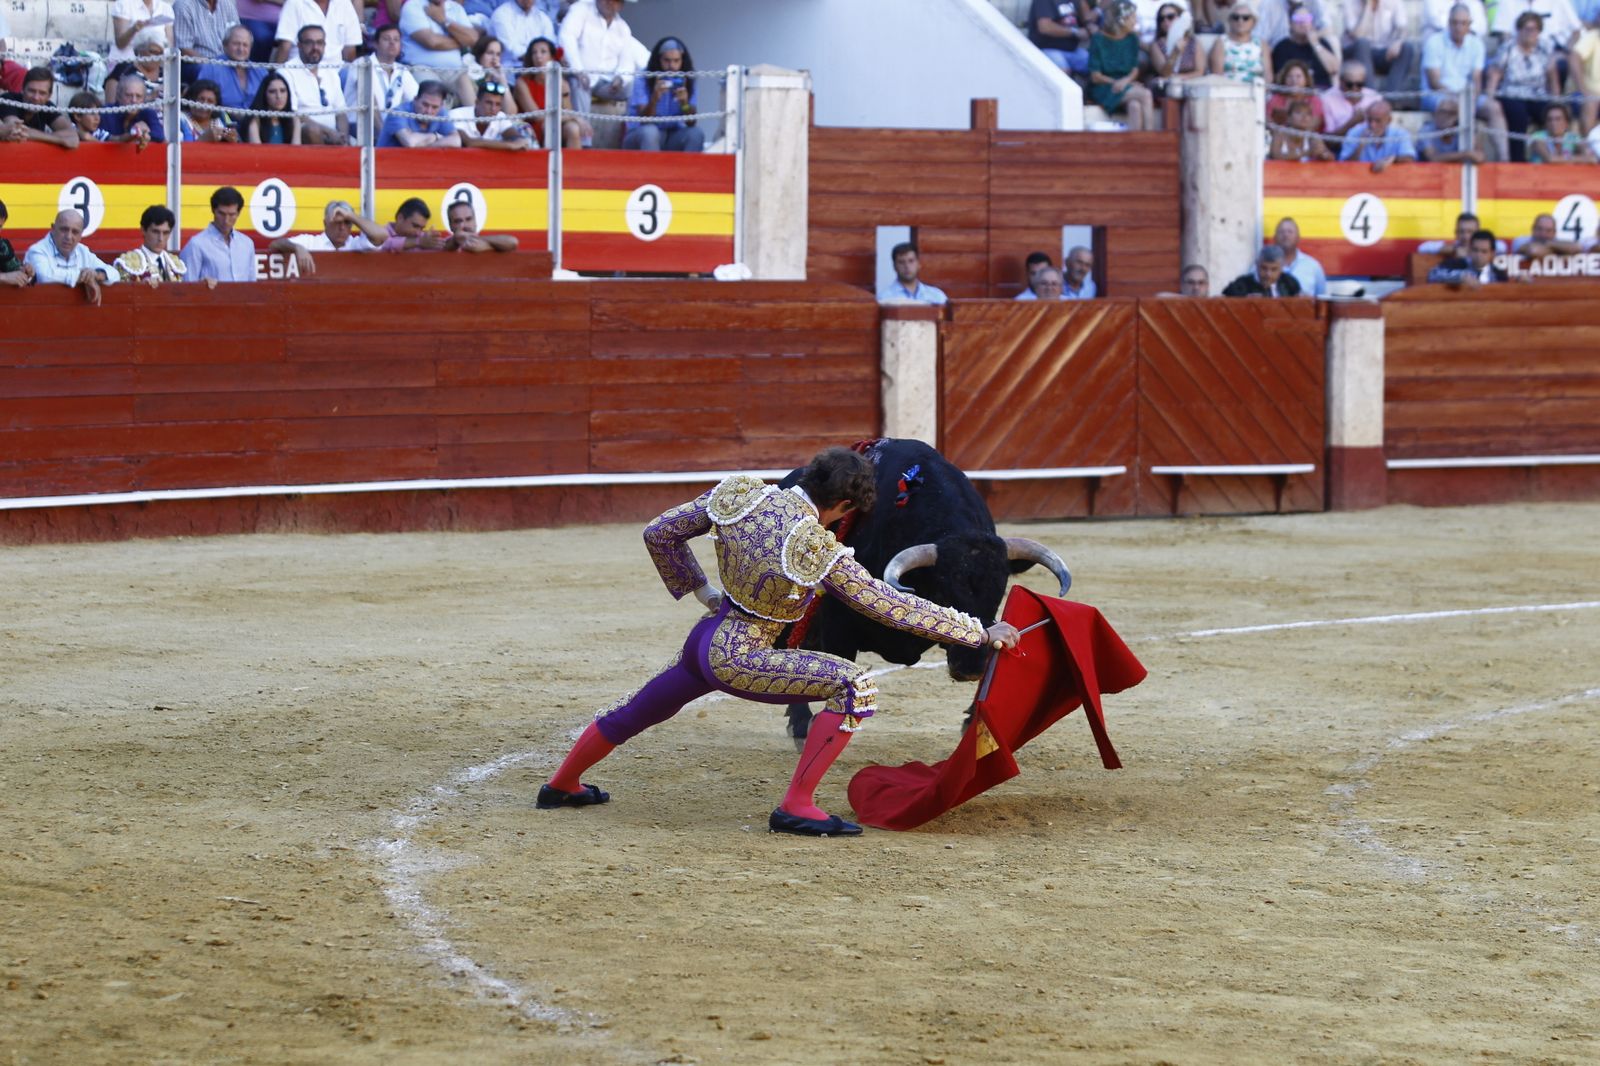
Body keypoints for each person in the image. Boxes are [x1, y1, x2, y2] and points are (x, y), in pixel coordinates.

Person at [535, 449, 1022, 837]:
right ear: (844, 506)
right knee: (855, 687)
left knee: (636, 709)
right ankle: (797, 805)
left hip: (706, 639)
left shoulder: (741, 494)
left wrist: (701, 590)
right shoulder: (814, 546)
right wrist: (978, 631)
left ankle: (562, 784)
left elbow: (659, 533)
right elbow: (886, 604)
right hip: (744, 656)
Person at [560, 0, 645, 150]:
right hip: (581, 76)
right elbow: (567, 37)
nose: (609, 2)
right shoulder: (581, 9)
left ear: (621, 5)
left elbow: (627, 59)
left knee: (633, 85)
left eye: (615, 1)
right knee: (578, 84)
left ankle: (632, 134)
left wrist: (620, 79)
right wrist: (579, 70)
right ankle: (585, 142)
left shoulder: (623, 28)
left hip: (607, 82)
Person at [1484, 13, 1560, 162]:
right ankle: (1517, 160)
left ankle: (1555, 157)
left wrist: (1556, 101)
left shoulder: (1545, 48)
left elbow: (1553, 77)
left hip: (1538, 95)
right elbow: (1495, 75)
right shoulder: (1508, 48)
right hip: (1512, 94)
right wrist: (1489, 97)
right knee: (1518, 115)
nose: (1531, 33)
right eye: (1527, 29)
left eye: (1535, 29)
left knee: (1553, 113)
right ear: (1519, 30)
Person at [623, 36, 704, 151]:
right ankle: (652, 169)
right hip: (641, 134)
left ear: (682, 60)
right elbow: (644, 120)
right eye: (667, 60)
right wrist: (655, 98)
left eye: (676, 61)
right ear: (658, 60)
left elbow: (691, 123)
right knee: (650, 132)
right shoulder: (643, 77)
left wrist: (684, 103)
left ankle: (688, 169)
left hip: (672, 135)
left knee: (695, 134)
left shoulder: (688, 78)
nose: (671, 66)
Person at [24, 210, 117, 305]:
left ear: (81, 235)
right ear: (53, 228)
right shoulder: (37, 250)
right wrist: (83, 277)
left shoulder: (83, 251)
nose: (68, 236)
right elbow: (45, 276)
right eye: (64, 229)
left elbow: (115, 274)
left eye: (75, 232)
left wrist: (97, 275)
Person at [1090, 1, 1158, 129]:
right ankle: (1151, 140)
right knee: (1146, 94)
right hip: (1105, 87)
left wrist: (1126, 81)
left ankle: (1134, 146)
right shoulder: (1098, 40)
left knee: (1135, 107)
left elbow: (1134, 69)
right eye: (1132, 18)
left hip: (1124, 85)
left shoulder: (1132, 38)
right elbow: (1095, 76)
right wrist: (1118, 82)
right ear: (1121, 20)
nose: (1135, 22)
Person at [400, 0, 480, 108]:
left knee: (475, 108)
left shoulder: (455, 8)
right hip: (424, 68)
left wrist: (444, 21)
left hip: (455, 72)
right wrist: (461, 41)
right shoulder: (413, 6)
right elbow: (431, 42)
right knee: (434, 103)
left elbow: (473, 39)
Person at [267, 199, 385, 271]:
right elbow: (275, 244)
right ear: (325, 223)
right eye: (337, 222)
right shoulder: (311, 242)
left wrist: (351, 216)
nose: (342, 227)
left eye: (347, 223)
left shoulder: (357, 244)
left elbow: (382, 236)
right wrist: (297, 248)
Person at [514, 37, 587, 148]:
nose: (538, 56)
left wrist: (564, 93)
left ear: (551, 57)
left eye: (543, 52)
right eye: (534, 53)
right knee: (551, 125)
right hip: (532, 130)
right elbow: (536, 116)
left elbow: (568, 111)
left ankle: (574, 165)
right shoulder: (522, 82)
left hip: (554, 125)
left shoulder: (561, 82)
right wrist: (575, 118)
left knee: (573, 128)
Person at [282, 25, 350, 145]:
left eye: (320, 43)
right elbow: (294, 114)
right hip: (304, 133)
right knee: (311, 131)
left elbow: (341, 113)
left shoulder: (330, 71)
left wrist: (343, 138)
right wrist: (329, 132)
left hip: (334, 136)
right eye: (309, 43)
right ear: (299, 45)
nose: (315, 47)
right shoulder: (286, 71)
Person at [179, 186, 256, 282]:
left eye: (232, 215)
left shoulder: (247, 244)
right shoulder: (196, 244)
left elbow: (251, 283)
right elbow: (187, 284)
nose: (226, 220)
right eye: (221, 214)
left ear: (238, 213)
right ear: (213, 211)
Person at [341, 24, 418, 121]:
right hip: (359, 125)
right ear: (375, 44)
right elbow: (368, 99)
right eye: (386, 39)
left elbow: (416, 99)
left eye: (396, 40)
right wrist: (383, 133)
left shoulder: (402, 70)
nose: (392, 43)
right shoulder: (362, 63)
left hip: (389, 126)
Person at [1422, 4, 1487, 117]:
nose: (1458, 27)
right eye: (1455, 22)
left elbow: (1477, 80)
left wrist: (1471, 98)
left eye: (1463, 23)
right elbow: (1434, 83)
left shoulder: (1477, 44)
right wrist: (1459, 98)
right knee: (1450, 107)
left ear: (1469, 25)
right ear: (1449, 23)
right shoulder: (1434, 42)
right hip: (1439, 94)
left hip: (1467, 96)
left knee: (1494, 109)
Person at [1342, 0, 1419, 95]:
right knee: (1363, 43)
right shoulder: (1349, 3)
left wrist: (1398, 42)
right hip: (1358, 54)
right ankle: (1371, 97)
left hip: (1385, 53)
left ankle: (1391, 97)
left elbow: (1403, 28)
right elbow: (1358, 35)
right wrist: (1368, 7)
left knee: (1407, 48)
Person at [0, 67, 81, 149]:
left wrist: (36, 136)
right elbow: (16, 129)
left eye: (42, 93)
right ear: (22, 89)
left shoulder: (47, 106)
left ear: (49, 96)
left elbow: (71, 134)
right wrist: (60, 140)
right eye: (31, 91)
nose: (36, 97)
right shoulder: (8, 99)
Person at [198, 25, 266, 116]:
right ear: (225, 45)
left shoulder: (261, 71)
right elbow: (202, 99)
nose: (241, 49)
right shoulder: (212, 67)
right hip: (222, 121)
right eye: (236, 44)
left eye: (245, 45)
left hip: (257, 123)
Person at [450, 76, 532, 148]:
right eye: (489, 103)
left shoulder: (500, 116)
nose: (493, 108)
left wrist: (517, 141)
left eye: (498, 104)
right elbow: (469, 142)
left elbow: (518, 139)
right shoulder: (457, 115)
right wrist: (510, 145)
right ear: (477, 102)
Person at [115, 205, 188, 285]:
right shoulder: (127, 263)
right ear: (143, 230)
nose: (161, 238)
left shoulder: (175, 264)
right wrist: (141, 289)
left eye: (165, 233)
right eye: (155, 232)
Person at [1338, 97, 1416, 171]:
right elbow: (1344, 166)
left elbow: (1409, 158)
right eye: (1369, 120)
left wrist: (1392, 159)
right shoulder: (1355, 133)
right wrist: (1360, 146)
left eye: (1378, 121)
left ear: (1389, 120)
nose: (1372, 125)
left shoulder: (1400, 134)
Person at [1270, 7, 1340, 88]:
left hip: (1321, 93)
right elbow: (1279, 77)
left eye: (1307, 18)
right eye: (1298, 19)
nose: (1302, 22)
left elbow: (1334, 69)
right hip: (1294, 93)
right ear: (1290, 23)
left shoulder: (1322, 43)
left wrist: (1315, 44)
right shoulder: (1282, 47)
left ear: (1312, 22)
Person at [272, 0, 362, 63]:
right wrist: (277, 76)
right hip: (301, 71)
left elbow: (350, 51)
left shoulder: (344, 4)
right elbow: (284, 47)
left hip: (335, 73)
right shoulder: (294, 3)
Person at [377, 79, 461, 146]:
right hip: (387, 162)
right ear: (415, 99)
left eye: (434, 107)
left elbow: (456, 141)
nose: (429, 111)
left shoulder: (441, 112)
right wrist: (435, 136)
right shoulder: (397, 112)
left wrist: (425, 145)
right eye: (425, 105)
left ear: (441, 105)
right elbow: (410, 142)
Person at [1211, 1, 1272, 86]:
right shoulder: (1221, 42)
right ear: (1230, 20)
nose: (1240, 21)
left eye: (1245, 18)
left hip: (1257, 93)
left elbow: (1268, 76)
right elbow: (1217, 77)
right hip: (1228, 93)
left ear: (1253, 22)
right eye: (1236, 17)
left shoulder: (1261, 44)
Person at [1150, 2, 1205, 93]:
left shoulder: (1193, 42)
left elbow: (1200, 71)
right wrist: (1175, 52)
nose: (1166, 21)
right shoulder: (1156, 45)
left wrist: (1178, 78)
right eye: (1161, 19)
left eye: (1170, 17)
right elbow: (1165, 73)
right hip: (1168, 88)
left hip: (1192, 86)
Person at [1319, 59, 1381, 138]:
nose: (1354, 89)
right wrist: (1353, 122)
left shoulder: (1374, 97)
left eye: (1359, 84)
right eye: (1349, 85)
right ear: (1340, 81)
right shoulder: (1327, 99)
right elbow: (1329, 140)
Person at [1029, 0, 1094, 74]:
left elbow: (1086, 15)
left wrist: (1089, 24)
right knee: (1062, 72)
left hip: (1072, 50)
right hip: (1047, 49)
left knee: (1097, 66)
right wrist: (1075, 32)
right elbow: (1045, 27)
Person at [101, 72, 166, 145]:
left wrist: (143, 133)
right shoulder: (106, 112)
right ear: (119, 96)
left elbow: (159, 135)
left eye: (138, 96)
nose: (134, 100)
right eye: (128, 95)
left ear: (144, 99)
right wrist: (135, 131)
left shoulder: (148, 113)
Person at [175, 0, 239, 73]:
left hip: (228, 62)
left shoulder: (228, 5)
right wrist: (213, 66)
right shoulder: (184, 5)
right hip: (197, 63)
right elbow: (184, 48)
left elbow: (239, 36)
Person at [1427, 228, 1508, 286]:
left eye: (1484, 252)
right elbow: (1432, 274)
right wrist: (1459, 277)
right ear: (1469, 250)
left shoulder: (1498, 273)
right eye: (1475, 250)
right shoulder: (1459, 264)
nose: (1478, 255)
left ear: (1492, 253)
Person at [1415, 96, 1485, 162]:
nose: (1443, 116)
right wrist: (1465, 154)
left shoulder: (1463, 129)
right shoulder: (1426, 130)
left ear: (1457, 117)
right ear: (1435, 113)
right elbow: (1433, 158)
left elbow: (1480, 157)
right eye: (1441, 112)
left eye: (1450, 113)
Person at [489, 0, 556, 68]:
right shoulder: (501, 14)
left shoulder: (542, 18)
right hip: (511, 69)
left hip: (540, 68)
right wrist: (538, 57)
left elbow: (550, 47)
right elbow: (512, 50)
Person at [110, 0, 176, 67]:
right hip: (125, 63)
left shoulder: (166, 8)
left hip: (155, 64)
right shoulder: (123, 4)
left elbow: (169, 47)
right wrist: (133, 29)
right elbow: (120, 44)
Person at [878, 242, 948, 304]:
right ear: (894, 266)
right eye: (901, 262)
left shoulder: (937, 296)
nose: (907, 266)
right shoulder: (884, 298)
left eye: (911, 261)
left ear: (918, 264)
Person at [242, 71, 300, 144]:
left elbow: (296, 151)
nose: (278, 96)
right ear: (264, 94)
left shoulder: (294, 118)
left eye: (283, 91)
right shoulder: (255, 119)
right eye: (272, 91)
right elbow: (256, 152)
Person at [1273, 217, 1326, 296]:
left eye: (1290, 232)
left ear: (1298, 238)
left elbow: (1322, 298)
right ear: (1275, 238)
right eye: (1281, 232)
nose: (1285, 235)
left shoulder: (1313, 266)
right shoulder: (1263, 266)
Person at [1223, 244, 1303, 296]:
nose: (1268, 274)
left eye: (1274, 269)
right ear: (1256, 264)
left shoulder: (1290, 283)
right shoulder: (1241, 285)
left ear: (1282, 268)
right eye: (1264, 268)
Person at [1528, 102, 1595, 162]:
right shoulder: (1537, 137)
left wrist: (1566, 159)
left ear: (1566, 123)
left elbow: (1592, 158)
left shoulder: (1573, 138)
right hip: (1540, 174)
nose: (1553, 123)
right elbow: (1551, 159)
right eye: (1549, 119)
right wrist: (1578, 159)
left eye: (1558, 119)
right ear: (1545, 123)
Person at [443, 199, 519, 252]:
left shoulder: (483, 241)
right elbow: (444, 246)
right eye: (458, 221)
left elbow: (513, 242)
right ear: (450, 225)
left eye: (468, 219)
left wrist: (482, 243)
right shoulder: (448, 243)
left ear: (475, 221)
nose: (464, 225)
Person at [1271, 97, 1335, 159]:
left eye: (1308, 114)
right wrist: (1307, 153)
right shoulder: (1280, 133)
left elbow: (1330, 157)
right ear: (1289, 118)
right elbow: (1276, 156)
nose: (1304, 116)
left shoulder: (1312, 136)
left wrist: (1324, 156)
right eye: (1298, 112)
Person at [1267, 59, 1324, 126]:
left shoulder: (1314, 100)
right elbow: (1268, 121)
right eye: (1289, 76)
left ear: (1306, 79)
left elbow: (1314, 124)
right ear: (1284, 79)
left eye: (1298, 76)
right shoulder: (1276, 99)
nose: (1294, 81)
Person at [1418, 211, 1504, 255]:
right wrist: (1454, 250)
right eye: (1461, 231)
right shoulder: (1455, 246)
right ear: (1455, 233)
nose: (1466, 236)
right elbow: (1422, 248)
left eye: (1470, 232)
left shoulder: (1485, 244)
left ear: (1478, 232)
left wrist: (1470, 251)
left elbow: (1502, 247)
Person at [381, 197, 448, 251]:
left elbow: (444, 246)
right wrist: (418, 242)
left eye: (422, 228)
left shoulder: (422, 238)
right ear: (400, 218)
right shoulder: (379, 233)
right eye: (415, 226)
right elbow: (383, 245)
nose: (418, 233)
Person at [0, 198, 38, 288]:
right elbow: (7, 277)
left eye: (0, 226)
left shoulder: (2, 247)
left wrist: (26, 273)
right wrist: (3, 277)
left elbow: (15, 270)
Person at [1512, 212, 1585, 257]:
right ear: (1533, 229)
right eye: (1540, 229)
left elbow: (1578, 247)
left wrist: (1548, 244)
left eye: (1548, 230)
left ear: (1554, 232)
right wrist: (1560, 250)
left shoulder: (1556, 241)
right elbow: (1535, 252)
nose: (1543, 234)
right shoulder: (1520, 241)